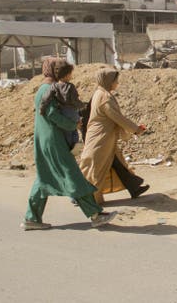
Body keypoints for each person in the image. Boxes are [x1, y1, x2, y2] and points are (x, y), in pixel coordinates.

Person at [21, 58, 117, 231]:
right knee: (73, 177)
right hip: (54, 140)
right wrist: (73, 125)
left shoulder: (44, 89)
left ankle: (32, 217)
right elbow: (52, 115)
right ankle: (95, 215)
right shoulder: (49, 90)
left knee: (43, 179)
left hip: (44, 140)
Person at [79, 68, 145, 205]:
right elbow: (118, 118)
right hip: (101, 139)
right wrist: (136, 129)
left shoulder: (101, 93)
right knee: (95, 170)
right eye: (115, 80)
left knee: (107, 166)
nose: (117, 83)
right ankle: (89, 201)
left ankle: (132, 187)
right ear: (109, 81)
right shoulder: (104, 97)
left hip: (104, 138)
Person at [39, 62, 86, 149]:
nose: (71, 76)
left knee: (66, 131)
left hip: (63, 112)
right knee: (76, 129)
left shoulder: (54, 86)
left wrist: (42, 109)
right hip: (72, 111)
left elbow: (46, 98)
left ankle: (69, 145)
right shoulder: (70, 87)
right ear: (67, 75)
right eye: (70, 74)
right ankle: (75, 144)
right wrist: (82, 106)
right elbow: (75, 100)